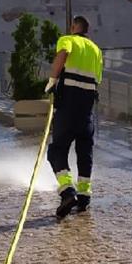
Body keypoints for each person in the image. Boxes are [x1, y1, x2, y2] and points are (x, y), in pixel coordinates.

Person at [45, 15, 103, 219]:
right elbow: (98, 80)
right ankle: (84, 197)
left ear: (73, 27)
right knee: (85, 154)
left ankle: (68, 192)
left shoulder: (68, 39)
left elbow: (63, 54)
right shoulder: (96, 50)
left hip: (68, 108)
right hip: (86, 112)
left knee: (56, 151)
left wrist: (52, 80)